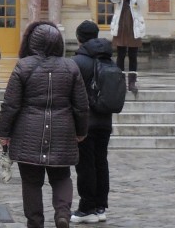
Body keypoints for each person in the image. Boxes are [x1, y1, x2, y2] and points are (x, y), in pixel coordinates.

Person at [0, 21, 89, 228]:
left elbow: (10, 104)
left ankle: (35, 222)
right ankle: (62, 214)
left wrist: (4, 133)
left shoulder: (24, 65)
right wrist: (81, 130)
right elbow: (81, 106)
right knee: (61, 176)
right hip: (62, 128)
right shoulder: (70, 66)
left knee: (31, 182)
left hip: (29, 129)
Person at [71, 20, 112, 224]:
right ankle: (100, 206)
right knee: (101, 162)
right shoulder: (108, 58)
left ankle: (87, 207)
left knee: (85, 165)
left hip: (85, 121)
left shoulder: (78, 61)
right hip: (105, 120)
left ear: (79, 38)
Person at [110, 0, 146, 95]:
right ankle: (120, 82)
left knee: (133, 55)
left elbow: (143, 4)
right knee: (120, 55)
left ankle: (132, 82)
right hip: (121, 26)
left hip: (133, 27)